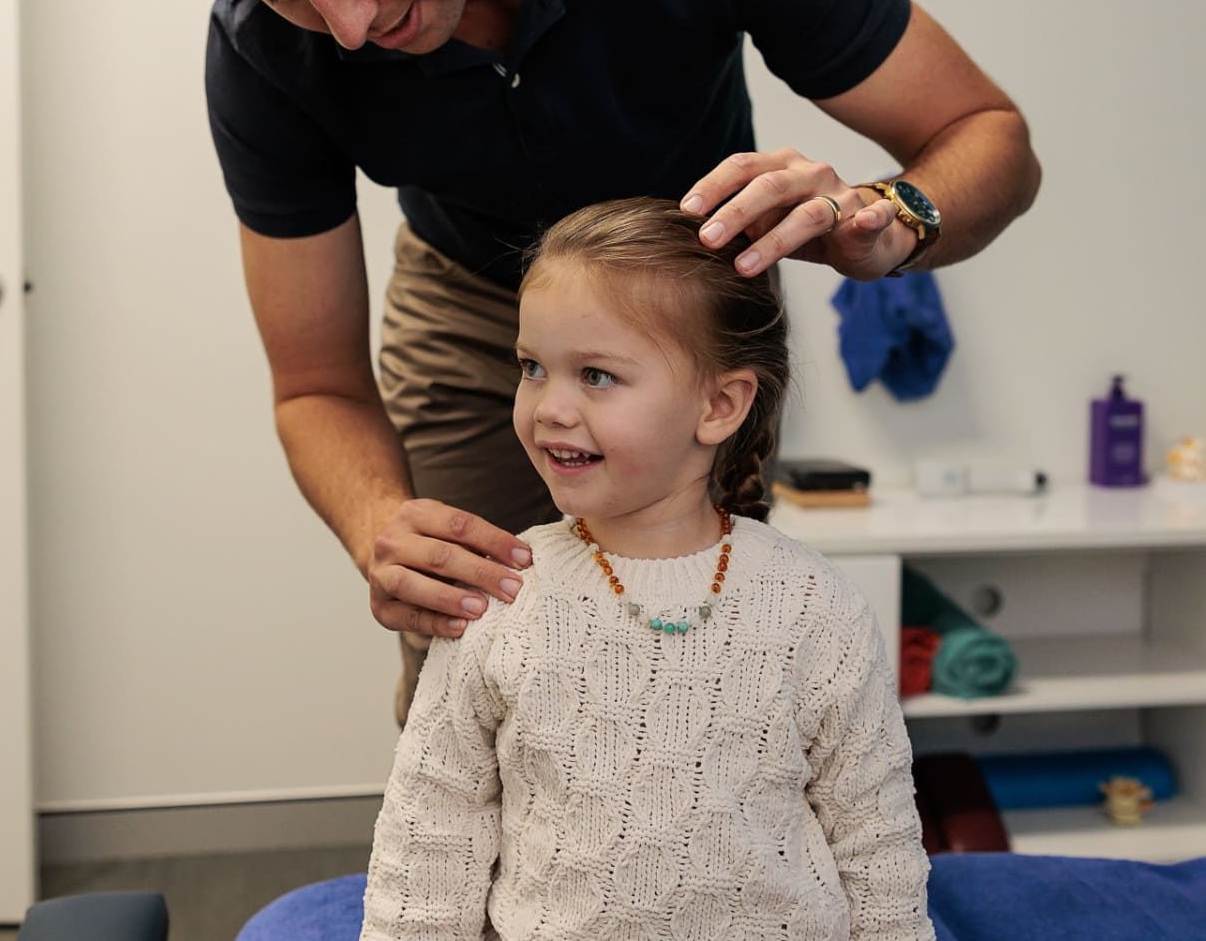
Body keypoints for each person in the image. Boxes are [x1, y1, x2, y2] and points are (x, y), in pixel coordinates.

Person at [99, 0, 1040, 725]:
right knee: (476, 689)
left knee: (703, 687)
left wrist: (892, 222)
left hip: (685, 308)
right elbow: (315, 386)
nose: (346, 23)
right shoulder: (263, 49)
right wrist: (379, 527)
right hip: (467, 305)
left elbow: (987, 139)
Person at [362, 197, 932, 939]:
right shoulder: (500, 594)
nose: (549, 408)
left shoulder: (812, 605)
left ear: (720, 404)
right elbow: (429, 836)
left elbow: (876, 842)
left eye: (595, 374)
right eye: (533, 367)